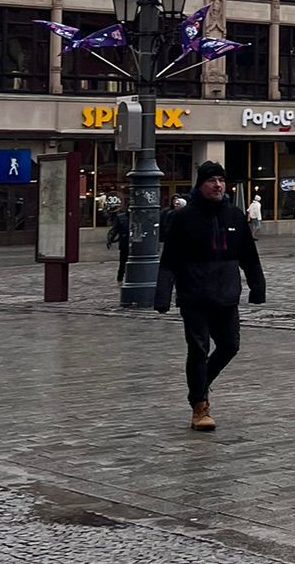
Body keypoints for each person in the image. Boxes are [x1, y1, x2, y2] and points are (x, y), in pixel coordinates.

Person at [154, 159, 265, 432]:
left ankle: (201, 384)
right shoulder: (184, 218)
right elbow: (169, 260)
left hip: (226, 294)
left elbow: (249, 256)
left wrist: (257, 287)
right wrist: (163, 294)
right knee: (198, 349)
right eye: (211, 181)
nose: (217, 185)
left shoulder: (235, 216)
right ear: (200, 185)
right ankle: (200, 407)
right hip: (194, 295)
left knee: (230, 345)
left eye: (221, 180)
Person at [106, 203, 130, 286]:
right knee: (123, 263)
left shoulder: (138, 217)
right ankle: (120, 279)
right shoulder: (121, 217)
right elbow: (115, 230)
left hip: (136, 244)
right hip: (124, 243)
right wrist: (110, 240)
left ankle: (130, 278)